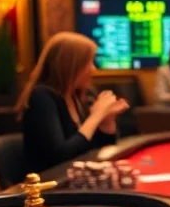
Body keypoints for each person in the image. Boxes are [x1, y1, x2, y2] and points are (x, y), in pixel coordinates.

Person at [18, 31, 129, 173]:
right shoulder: (41, 97)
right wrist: (96, 116)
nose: (94, 69)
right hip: (50, 186)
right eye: (88, 62)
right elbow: (60, 158)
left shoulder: (79, 96)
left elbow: (99, 154)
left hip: (77, 181)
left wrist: (107, 120)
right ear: (70, 66)